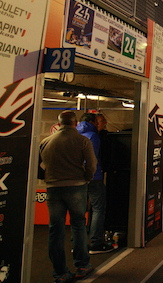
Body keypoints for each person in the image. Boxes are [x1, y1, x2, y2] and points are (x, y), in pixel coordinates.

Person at [40, 111, 97, 282]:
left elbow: (38, 166)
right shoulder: (82, 141)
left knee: (55, 230)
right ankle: (82, 265)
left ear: (59, 123)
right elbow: (92, 164)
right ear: (75, 122)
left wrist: (49, 179)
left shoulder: (45, 141)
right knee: (78, 225)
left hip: (53, 188)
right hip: (76, 187)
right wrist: (86, 178)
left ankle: (60, 273)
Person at [77, 113, 115, 255]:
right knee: (98, 209)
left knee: (79, 211)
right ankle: (96, 243)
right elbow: (91, 159)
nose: (102, 125)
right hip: (93, 178)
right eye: (100, 122)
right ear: (93, 122)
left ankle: (78, 244)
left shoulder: (75, 134)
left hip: (77, 179)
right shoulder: (93, 136)